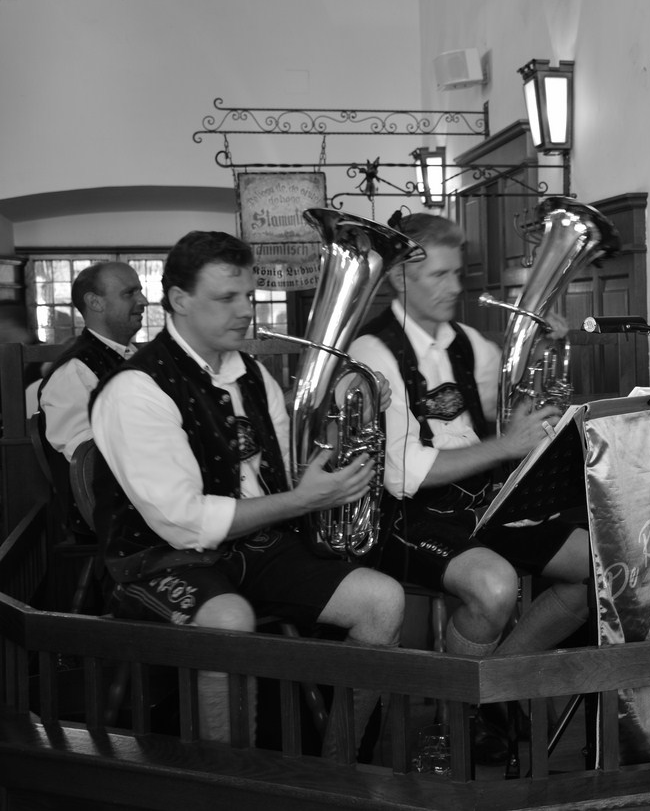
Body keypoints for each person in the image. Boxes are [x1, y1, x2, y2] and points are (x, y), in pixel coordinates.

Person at [90, 231, 405, 755]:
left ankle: (337, 761)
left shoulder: (253, 374)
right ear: (179, 300)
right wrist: (305, 501)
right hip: (159, 560)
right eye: (226, 298)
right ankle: (232, 782)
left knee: (383, 601)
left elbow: (288, 472)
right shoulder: (135, 389)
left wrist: (355, 421)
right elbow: (183, 522)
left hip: (255, 545)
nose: (244, 311)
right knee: (229, 619)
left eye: (249, 297)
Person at [347, 213, 592, 757]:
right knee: (495, 587)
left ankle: (485, 694)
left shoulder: (472, 346)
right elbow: (402, 474)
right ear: (399, 279)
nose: (455, 287)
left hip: (479, 506)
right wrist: (506, 446)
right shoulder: (373, 353)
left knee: (601, 566)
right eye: (439, 275)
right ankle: (467, 710)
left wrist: (542, 356)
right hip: (404, 517)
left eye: (457, 274)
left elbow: (512, 418)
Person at [40, 262, 149, 468]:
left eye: (140, 291)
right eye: (129, 293)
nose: (144, 301)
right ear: (95, 302)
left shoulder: (138, 358)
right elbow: (86, 461)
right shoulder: (74, 372)